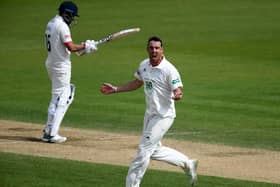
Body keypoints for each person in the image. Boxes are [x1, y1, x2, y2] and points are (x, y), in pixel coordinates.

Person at [100, 36, 198, 186]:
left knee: (143, 151)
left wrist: (178, 94)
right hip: (150, 115)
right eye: (151, 48)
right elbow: (137, 82)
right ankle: (187, 163)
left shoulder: (169, 69)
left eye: (157, 48)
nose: (154, 50)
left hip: (164, 116)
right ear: (147, 49)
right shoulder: (144, 65)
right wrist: (116, 89)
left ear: (162, 49)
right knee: (153, 150)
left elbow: (178, 89)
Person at [42, 1, 98, 143]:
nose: (73, 19)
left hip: (52, 63)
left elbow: (65, 48)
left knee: (60, 96)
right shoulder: (62, 26)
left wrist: (84, 49)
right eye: (72, 16)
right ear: (67, 14)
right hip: (61, 66)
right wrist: (85, 45)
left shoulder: (51, 23)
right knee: (64, 97)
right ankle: (52, 134)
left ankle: (49, 131)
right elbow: (71, 47)